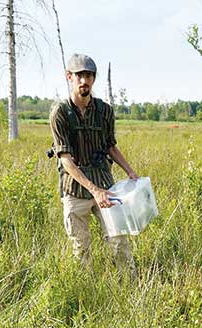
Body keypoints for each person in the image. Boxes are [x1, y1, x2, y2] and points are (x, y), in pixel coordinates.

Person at [50, 53, 139, 275]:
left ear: (93, 79)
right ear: (69, 77)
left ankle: (129, 284)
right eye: (79, 76)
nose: (84, 81)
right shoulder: (60, 112)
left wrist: (129, 171)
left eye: (88, 76)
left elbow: (110, 146)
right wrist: (94, 190)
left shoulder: (104, 111)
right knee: (81, 248)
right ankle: (85, 291)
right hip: (75, 189)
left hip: (105, 185)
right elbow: (65, 160)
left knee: (119, 239)